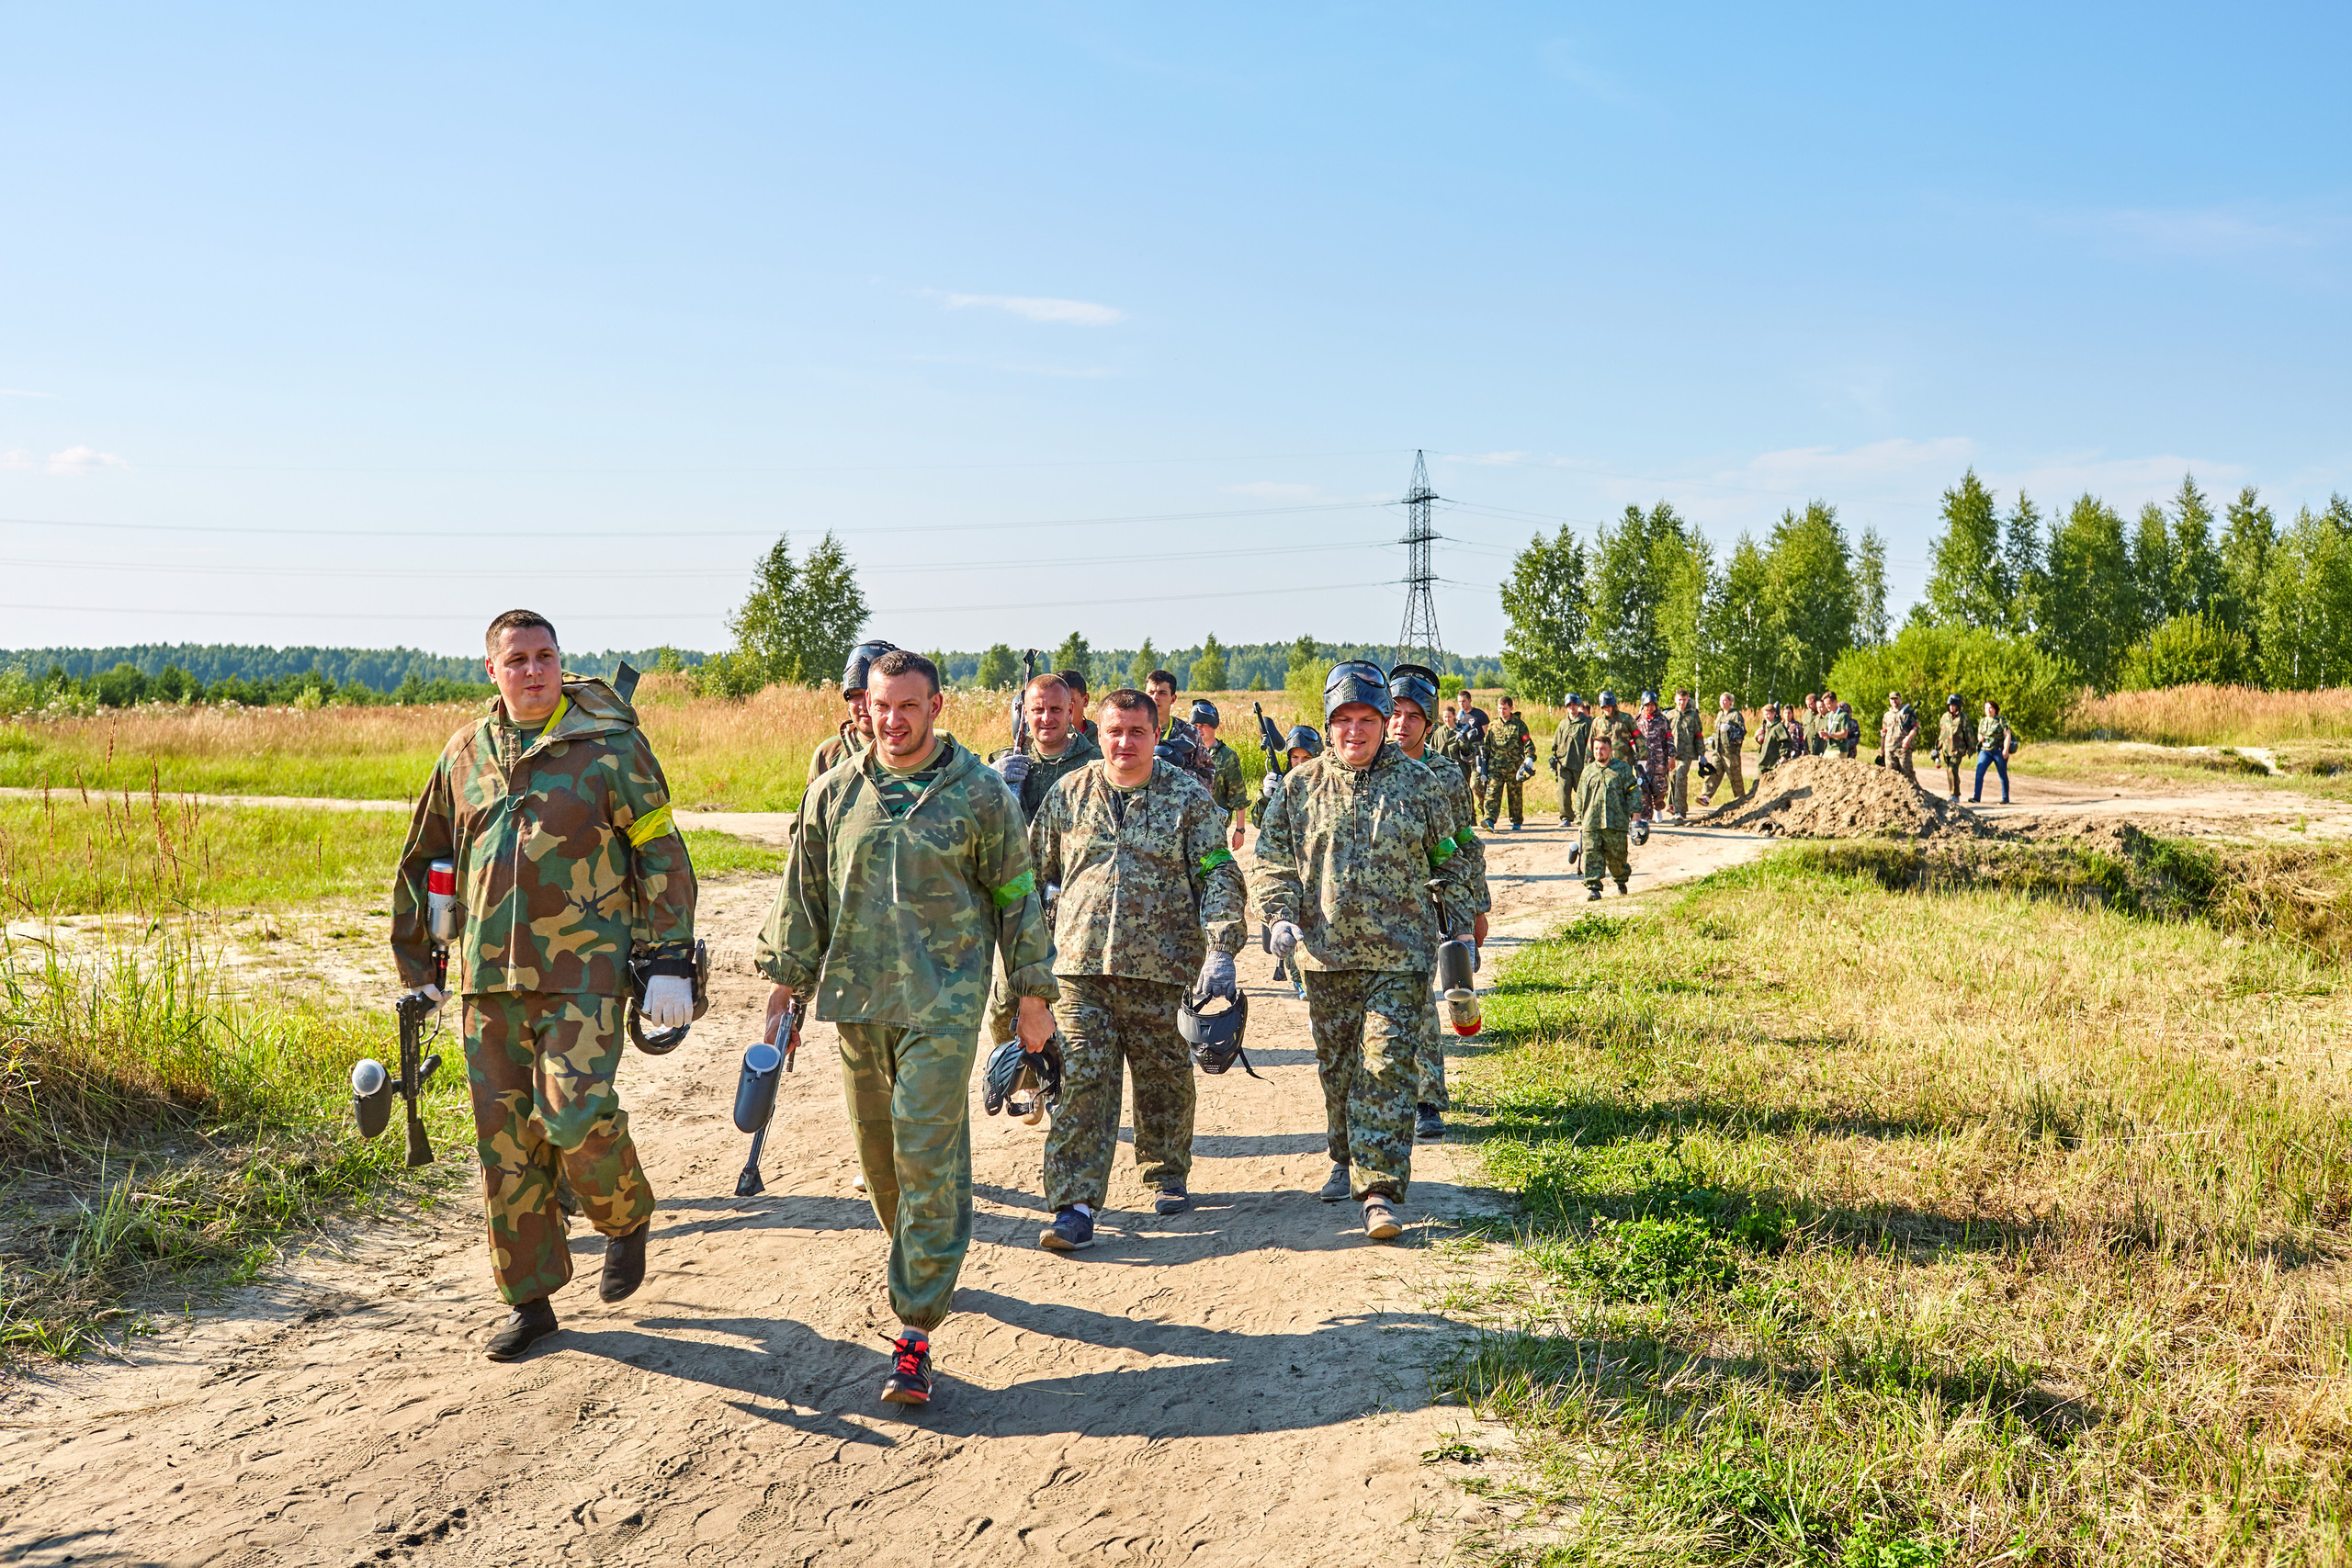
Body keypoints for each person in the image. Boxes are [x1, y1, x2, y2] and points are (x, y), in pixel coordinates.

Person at [390, 609, 698, 1361]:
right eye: (518, 659)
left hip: (584, 973)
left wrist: (669, 957)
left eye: (545, 656)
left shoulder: (611, 748)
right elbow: (425, 858)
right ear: (491, 670)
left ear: (561, 662)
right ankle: (530, 1301)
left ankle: (625, 1215)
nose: (533, 670)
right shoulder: (464, 753)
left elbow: (661, 851)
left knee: (572, 1113)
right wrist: (420, 967)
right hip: (486, 981)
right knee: (505, 1147)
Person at [756, 650, 1057, 1406]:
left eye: (908, 706)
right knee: (882, 1160)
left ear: (936, 706)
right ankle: (923, 1253)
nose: (892, 720)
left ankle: (914, 1329)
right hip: (858, 1003)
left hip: (943, 1004)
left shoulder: (981, 794)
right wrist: (785, 991)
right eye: (881, 705)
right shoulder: (834, 792)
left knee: (926, 1149)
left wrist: (1031, 993)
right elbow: (805, 896)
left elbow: (1017, 895)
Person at [1257, 660, 1477, 1241]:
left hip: (1401, 956)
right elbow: (1272, 860)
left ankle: (1378, 1190)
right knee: (1338, 1069)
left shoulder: (1420, 784)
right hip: (1325, 956)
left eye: (1367, 720)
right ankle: (1344, 1155)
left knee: (1387, 1066)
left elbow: (1451, 859)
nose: (1354, 731)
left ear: (1383, 722)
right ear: (1329, 724)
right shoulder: (1299, 787)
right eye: (1343, 720)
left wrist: (1460, 930)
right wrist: (1278, 916)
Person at [1029, 688, 1248, 1247]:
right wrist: (1023, 963)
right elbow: (1032, 876)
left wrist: (1221, 947)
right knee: (1081, 1082)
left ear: (1155, 735)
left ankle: (1166, 1171)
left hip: (1163, 970)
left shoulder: (1188, 799)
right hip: (1080, 969)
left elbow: (1218, 871)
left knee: (1163, 1078)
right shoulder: (1067, 794)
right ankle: (1074, 1204)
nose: (1124, 742)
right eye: (1114, 731)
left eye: (1137, 732)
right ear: (1097, 733)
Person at [1386, 663, 1489, 1145]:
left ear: (1428, 724)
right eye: (1395, 713)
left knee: (1425, 998)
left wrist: (1474, 910)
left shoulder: (1445, 774)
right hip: (1378, 904)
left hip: (1435, 901)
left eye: (1413, 716)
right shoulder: (1367, 767)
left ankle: (1427, 1100)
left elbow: (1464, 843)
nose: (1400, 724)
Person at [981, 671, 1103, 1050]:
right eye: (1037, 710)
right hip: (1017, 897)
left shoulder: (1096, 761)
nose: (1046, 718)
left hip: (1075, 902)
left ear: (1072, 710)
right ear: (1025, 713)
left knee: (1072, 1007)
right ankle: (1019, 1072)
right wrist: (991, 783)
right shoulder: (1006, 761)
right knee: (1005, 1004)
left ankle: (1060, 1075)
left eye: (1055, 709)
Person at [1250, 724, 1323, 999]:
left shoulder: (1325, 784)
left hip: (1315, 867)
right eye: (1295, 758)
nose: (1300, 763)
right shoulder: (1283, 785)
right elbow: (1261, 823)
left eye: (1306, 758)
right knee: (1289, 921)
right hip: (1285, 863)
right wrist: (1266, 797)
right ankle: (1297, 977)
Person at [808, 639, 899, 784]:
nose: (865, 705)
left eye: (875, 696)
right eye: (855, 695)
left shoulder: (915, 749)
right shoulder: (829, 755)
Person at [1573, 731, 1637, 897]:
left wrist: (1636, 814)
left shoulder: (1621, 769)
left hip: (1615, 822)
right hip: (1591, 822)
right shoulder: (1588, 771)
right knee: (1591, 855)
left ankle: (1621, 882)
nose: (1598, 752)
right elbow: (1580, 796)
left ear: (1610, 750)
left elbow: (1633, 791)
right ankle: (1593, 888)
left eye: (1602, 749)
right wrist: (1580, 821)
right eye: (1596, 749)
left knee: (1617, 858)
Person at [1188, 699, 1253, 852]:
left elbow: (1238, 796)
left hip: (1215, 830)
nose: (1199, 730)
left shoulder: (1227, 756)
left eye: (1203, 725)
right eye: (1195, 726)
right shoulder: (1185, 753)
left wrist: (1240, 830)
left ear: (1214, 725)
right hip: (1187, 829)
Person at [1480, 693, 1533, 829]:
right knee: (1492, 794)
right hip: (1495, 767)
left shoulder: (1519, 725)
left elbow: (1527, 743)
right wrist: (1482, 764)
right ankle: (1489, 820)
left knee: (1515, 796)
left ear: (1511, 708)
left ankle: (1516, 822)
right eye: (1499, 708)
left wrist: (1530, 757)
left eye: (1504, 708)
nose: (1501, 711)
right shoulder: (1493, 725)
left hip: (1513, 768)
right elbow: (1487, 747)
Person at [1549, 693, 1592, 824]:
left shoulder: (1586, 723)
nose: (1571, 707)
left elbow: (1591, 745)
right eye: (1569, 705)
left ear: (1578, 706)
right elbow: (1555, 743)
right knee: (1563, 794)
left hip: (1580, 765)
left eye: (1574, 705)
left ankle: (1585, 817)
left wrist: (1589, 763)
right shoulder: (1563, 724)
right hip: (1564, 764)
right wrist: (1555, 760)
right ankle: (1566, 817)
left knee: (1583, 793)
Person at [1699, 691, 1747, 806]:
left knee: (1735, 776)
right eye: (1721, 700)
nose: (1722, 702)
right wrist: (1712, 738)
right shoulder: (1720, 714)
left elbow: (1742, 731)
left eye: (1725, 700)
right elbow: (1718, 731)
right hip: (1718, 751)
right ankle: (1706, 796)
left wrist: (1731, 728)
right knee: (1713, 772)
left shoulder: (1735, 715)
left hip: (1730, 752)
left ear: (1731, 701)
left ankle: (1741, 799)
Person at [1668, 688, 1704, 818]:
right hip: (1672, 754)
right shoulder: (1670, 715)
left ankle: (1680, 810)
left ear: (1688, 699)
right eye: (1679, 700)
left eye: (1684, 700)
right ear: (1675, 700)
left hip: (1686, 754)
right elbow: (1664, 735)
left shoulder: (1693, 716)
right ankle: (1673, 806)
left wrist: (1702, 754)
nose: (1681, 703)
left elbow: (1698, 735)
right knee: (1672, 779)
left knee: (1681, 778)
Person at [1933, 694, 1976, 803]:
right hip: (1946, 749)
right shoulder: (1945, 717)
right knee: (1950, 771)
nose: (1951, 708)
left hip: (1958, 749)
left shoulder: (1963, 718)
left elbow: (1969, 733)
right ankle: (1952, 791)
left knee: (1952, 769)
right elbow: (1942, 733)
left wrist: (1972, 747)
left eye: (1953, 705)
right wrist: (1937, 748)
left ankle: (1955, 795)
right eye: (1950, 705)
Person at [1637, 691, 1672, 821]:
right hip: (1642, 761)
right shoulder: (1636, 721)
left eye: (1652, 705)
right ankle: (1645, 816)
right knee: (1643, 788)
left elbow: (1669, 739)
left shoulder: (1662, 720)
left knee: (1660, 788)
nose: (1650, 707)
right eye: (1647, 705)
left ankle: (1658, 808)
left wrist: (1672, 757)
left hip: (1659, 760)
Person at [1973, 699, 2017, 804]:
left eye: (1991, 708)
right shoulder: (1983, 721)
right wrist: (1980, 737)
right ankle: (1976, 797)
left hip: (1998, 750)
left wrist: (2006, 749)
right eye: (1986, 708)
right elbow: (1979, 733)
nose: (1988, 710)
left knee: (2002, 774)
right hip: (1985, 751)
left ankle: (2005, 798)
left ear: (1995, 709)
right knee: (1979, 772)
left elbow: (2007, 734)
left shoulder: (2001, 720)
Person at [1882, 691, 1920, 783]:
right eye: (1892, 699)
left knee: (1907, 776)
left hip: (1903, 749)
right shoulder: (1887, 715)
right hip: (1890, 749)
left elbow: (1916, 728)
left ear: (1900, 699)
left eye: (1896, 698)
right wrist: (1882, 748)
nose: (1894, 701)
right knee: (1891, 777)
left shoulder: (1908, 713)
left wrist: (1908, 739)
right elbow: (1883, 732)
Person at [1060, 668, 1098, 745]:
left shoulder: (1100, 738)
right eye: (1057, 704)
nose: (1064, 708)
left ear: (1085, 700)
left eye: (1070, 702)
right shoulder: (1043, 737)